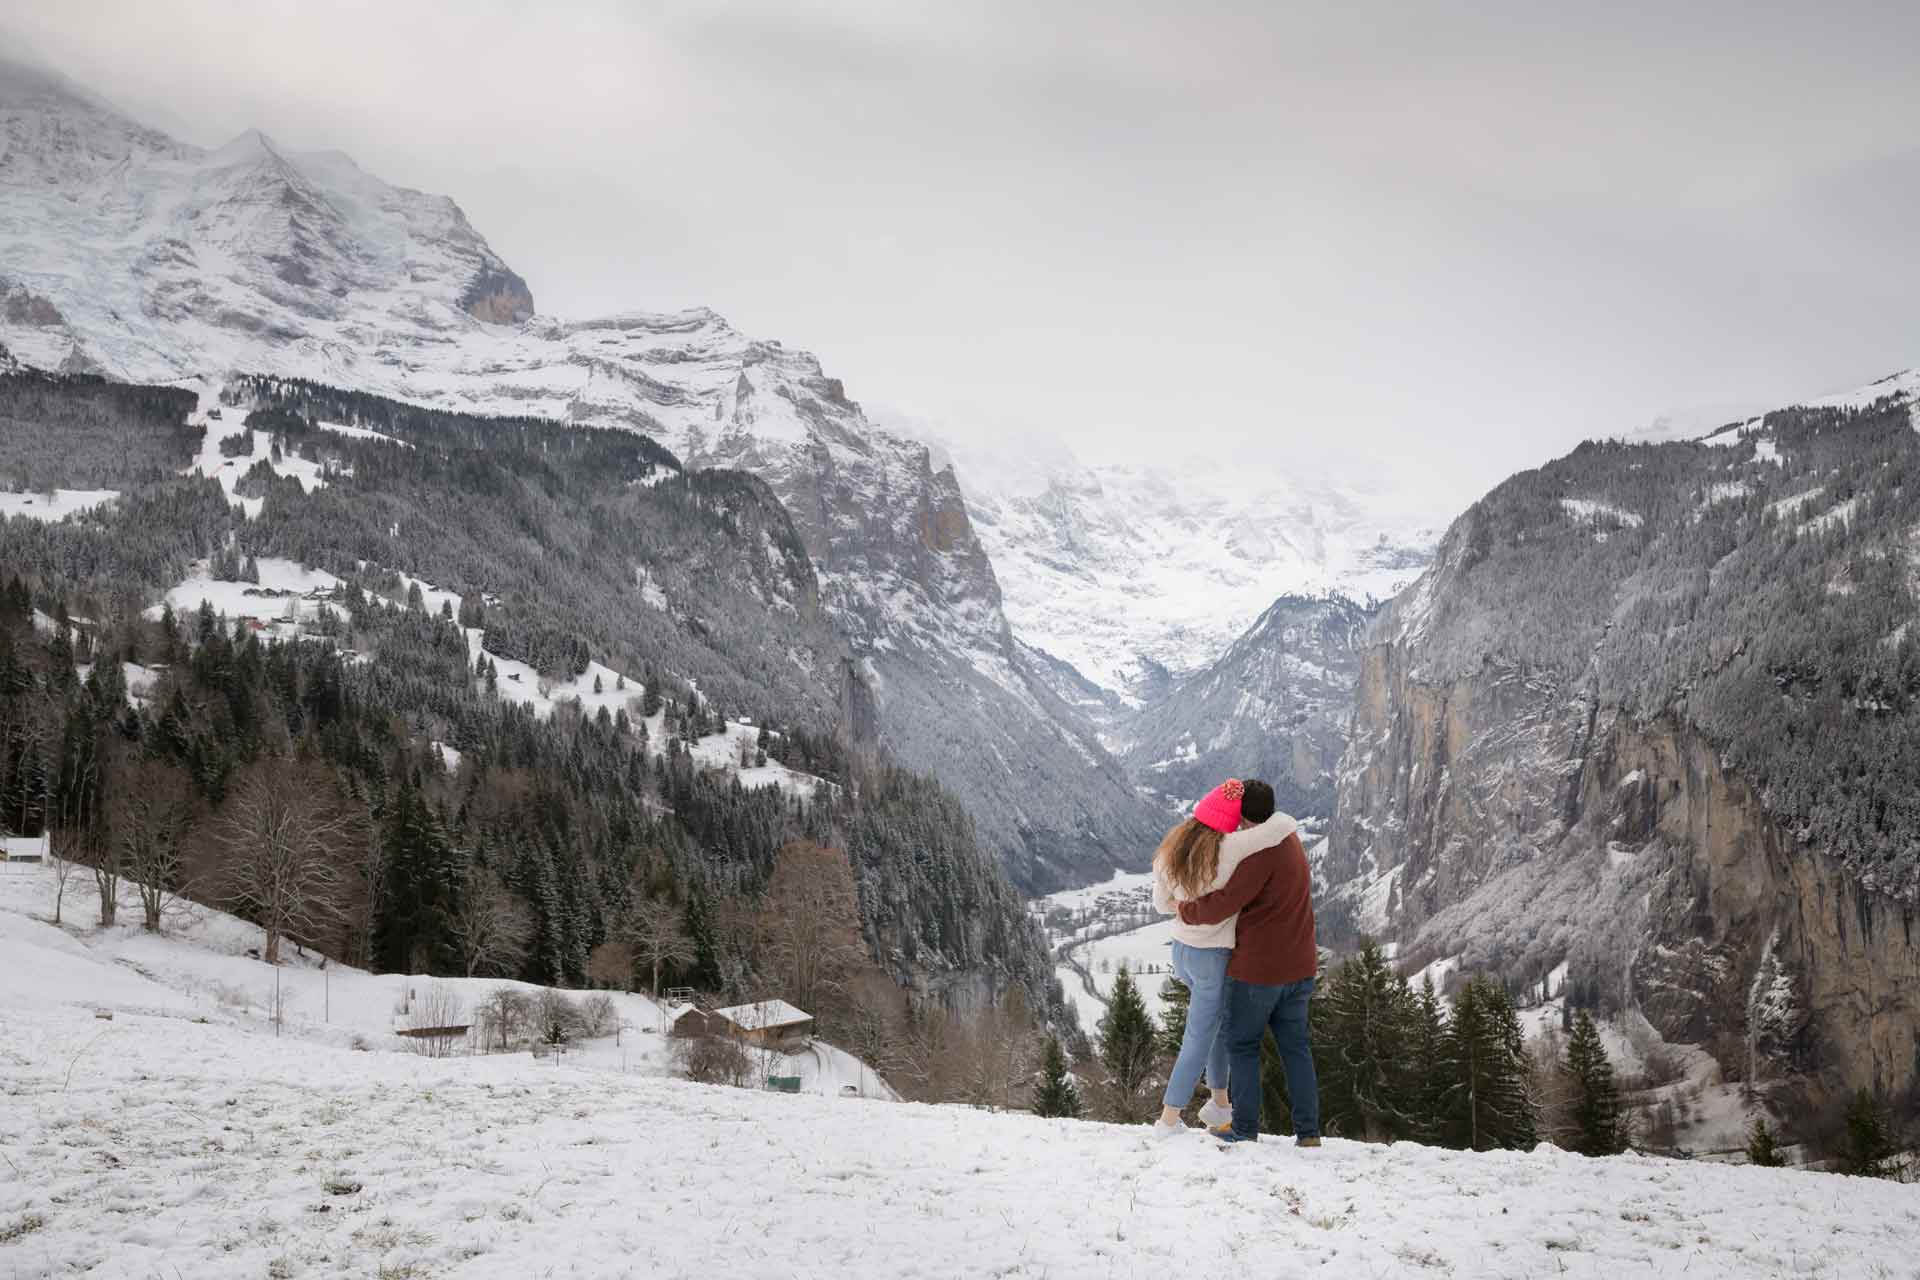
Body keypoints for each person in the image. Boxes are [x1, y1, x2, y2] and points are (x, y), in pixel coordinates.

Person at [1148, 777, 1296, 1138]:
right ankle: (1168, 1121)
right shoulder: (1228, 849)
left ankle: (1220, 1104)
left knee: (1214, 1027)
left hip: (1181, 952)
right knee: (1198, 1036)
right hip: (1211, 957)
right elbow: (1274, 830)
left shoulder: (1173, 846)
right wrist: (1284, 819)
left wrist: (1182, 905)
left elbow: (1159, 902)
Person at [1176, 801, 1320, 1147]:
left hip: (1261, 973)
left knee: (1242, 1046)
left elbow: (1224, 902)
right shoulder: (1292, 841)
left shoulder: (1261, 855)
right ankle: (1309, 1132)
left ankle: (1243, 1129)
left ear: (1244, 818)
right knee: (1296, 1049)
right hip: (1300, 969)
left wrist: (1186, 911)